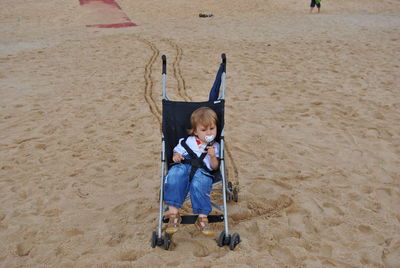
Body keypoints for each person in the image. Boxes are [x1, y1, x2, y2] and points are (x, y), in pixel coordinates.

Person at [163, 107, 220, 236]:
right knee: (174, 177)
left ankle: (202, 217)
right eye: (203, 130)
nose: (208, 133)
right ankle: (174, 214)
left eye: (212, 129)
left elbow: (215, 167)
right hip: (183, 165)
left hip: (203, 170)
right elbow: (177, 151)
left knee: (200, 185)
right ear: (195, 131)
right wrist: (176, 156)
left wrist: (212, 156)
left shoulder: (215, 146)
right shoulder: (188, 141)